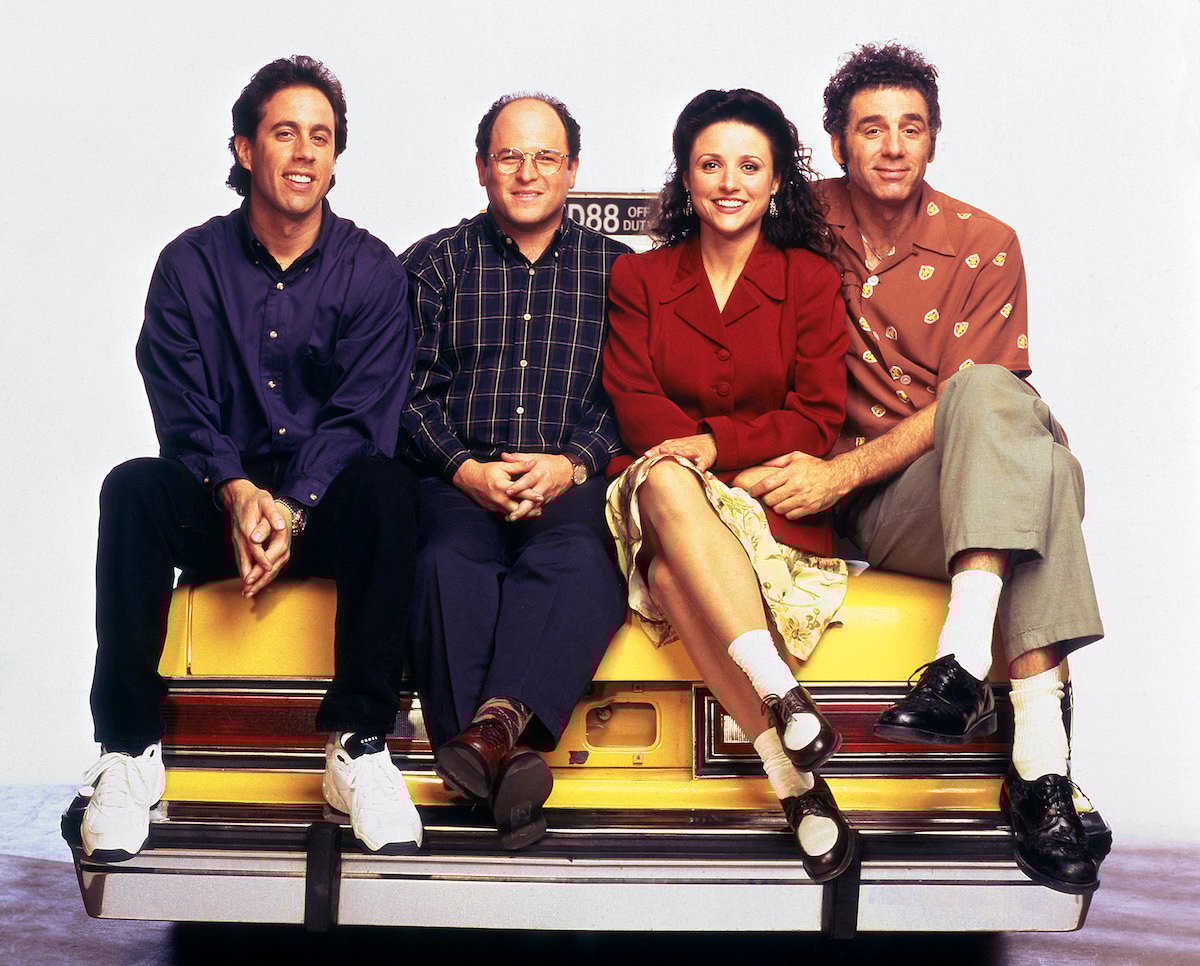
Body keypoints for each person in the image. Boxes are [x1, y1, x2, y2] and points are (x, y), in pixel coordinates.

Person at [743, 44, 1104, 894]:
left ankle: (965, 671)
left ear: (934, 139)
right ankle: (1042, 774)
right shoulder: (795, 221)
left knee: (987, 391)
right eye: (872, 129)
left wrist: (839, 470)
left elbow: (975, 406)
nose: (894, 146)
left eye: (912, 128)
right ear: (838, 144)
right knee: (1049, 479)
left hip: (959, 481)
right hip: (887, 509)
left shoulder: (986, 243)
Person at [80, 56, 422, 860]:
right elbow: (182, 406)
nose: (304, 153)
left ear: (336, 155)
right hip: (217, 502)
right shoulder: (188, 264)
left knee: (389, 488)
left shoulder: (372, 270)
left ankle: (359, 746)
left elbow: (361, 415)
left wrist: (291, 507)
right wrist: (235, 491)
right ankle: (127, 752)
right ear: (244, 148)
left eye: (321, 137)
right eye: (284, 133)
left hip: (321, 509)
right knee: (131, 489)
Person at [603, 89, 854, 882]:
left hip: (768, 501)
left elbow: (817, 415)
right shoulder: (639, 277)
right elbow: (633, 400)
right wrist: (699, 460)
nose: (729, 182)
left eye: (750, 166)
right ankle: (783, 695)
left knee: (672, 575)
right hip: (662, 488)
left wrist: (717, 447)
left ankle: (791, 783)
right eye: (711, 165)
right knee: (663, 480)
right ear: (686, 177)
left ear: (777, 181)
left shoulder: (809, 279)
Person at [401, 93, 628, 850]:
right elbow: (407, 394)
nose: (527, 172)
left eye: (545, 157)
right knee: (443, 564)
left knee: (581, 562)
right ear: (481, 168)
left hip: (570, 484)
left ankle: (486, 741)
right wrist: (463, 469)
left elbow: (629, 395)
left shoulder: (620, 272)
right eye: (509, 156)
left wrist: (573, 464)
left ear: (573, 170)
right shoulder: (433, 265)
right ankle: (510, 766)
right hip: (457, 481)